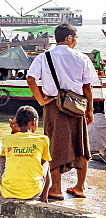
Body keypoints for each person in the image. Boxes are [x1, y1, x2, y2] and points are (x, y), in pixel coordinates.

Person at [26, 23, 94, 199]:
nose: (76, 41)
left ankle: (55, 188)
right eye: (76, 38)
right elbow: (87, 87)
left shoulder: (44, 57)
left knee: (54, 146)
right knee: (81, 145)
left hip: (54, 105)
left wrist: (41, 100)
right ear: (69, 38)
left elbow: (31, 79)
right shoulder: (82, 58)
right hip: (77, 106)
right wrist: (90, 110)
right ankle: (79, 187)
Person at [0, 106, 51, 203]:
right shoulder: (43, 139)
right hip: (33, 193)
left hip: (7, 192)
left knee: (1, 158)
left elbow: (6, 157)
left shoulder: (7, 139)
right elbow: (42, 162)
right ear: (33, 123)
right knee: (47, 163)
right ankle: (44, 199)